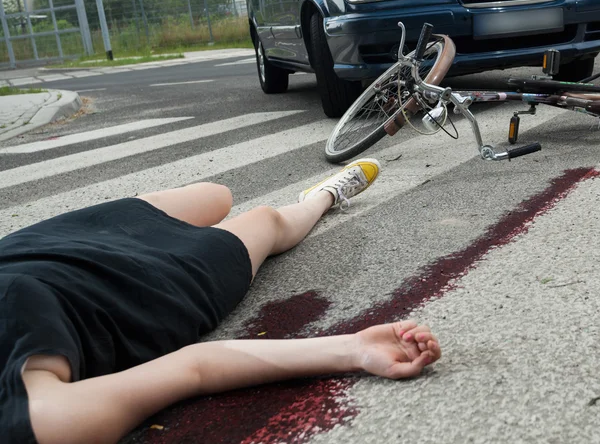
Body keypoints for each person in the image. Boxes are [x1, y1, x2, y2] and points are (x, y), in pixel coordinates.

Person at [0, 158, 441, 444]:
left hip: (42, 244)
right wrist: (352, 349)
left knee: (217, 195)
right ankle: (323, 197)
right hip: (148, 283)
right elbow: (193, 368)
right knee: (265, 221)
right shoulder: (38, 420)